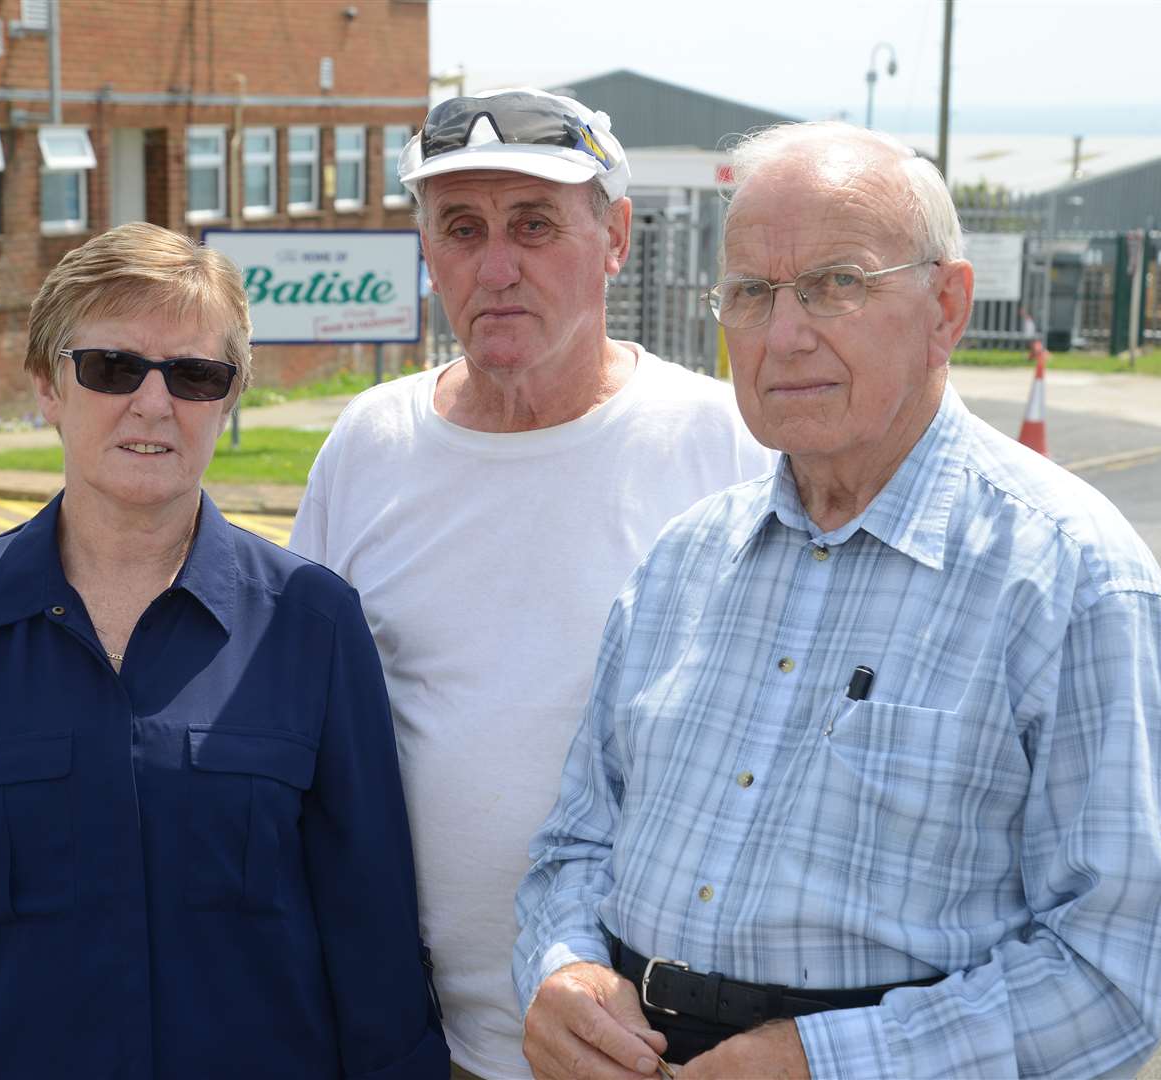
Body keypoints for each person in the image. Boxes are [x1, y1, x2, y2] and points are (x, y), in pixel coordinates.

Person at [514, 121, 1161, 1080]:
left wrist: (834, 1062)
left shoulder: (1073, 581)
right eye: (753, 294)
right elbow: (577, 841)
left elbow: (1117, 968)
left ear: (947, 306)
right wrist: (560, 970)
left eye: (837, 284)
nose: (785, 333)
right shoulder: (684, 562)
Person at [0, 222, 447, 1079]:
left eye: (194, 374)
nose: (153, 403)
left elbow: (374, 941)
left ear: (229, 397)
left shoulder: (314, 625)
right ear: (47, 386)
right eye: (112, 367)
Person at [288, 89, 775, 1079]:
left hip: (666, 1050)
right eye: (461, 229)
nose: (496, 267)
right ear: (426, 249)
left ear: (616, 237)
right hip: (422, 1044)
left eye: (535, 226)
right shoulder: (370, 446)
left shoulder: (726, 442)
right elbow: (299, 733)